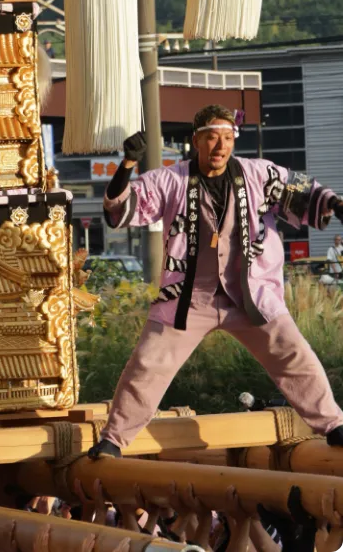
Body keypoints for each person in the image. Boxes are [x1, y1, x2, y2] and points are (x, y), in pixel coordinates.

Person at [88, 104, 343, 459]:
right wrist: (127, 164)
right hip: (189, 297)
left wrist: (336, 203)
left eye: (226, 138)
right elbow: (120, 207)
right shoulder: (171, 179)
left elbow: (309, 192)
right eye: (211, 138)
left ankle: (333, 425)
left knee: (294, 355)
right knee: (147, 364)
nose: (220, 146)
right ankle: (113, 439)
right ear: (196, 141)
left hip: (251, 294)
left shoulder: (259, 174)